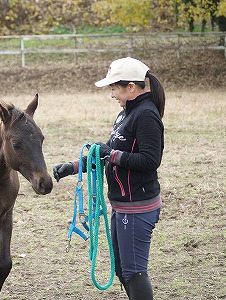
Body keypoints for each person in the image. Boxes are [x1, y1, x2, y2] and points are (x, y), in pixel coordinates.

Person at [53, 57, 165, 300]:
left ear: (131, 88)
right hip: (122, 206)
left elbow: (149, 160)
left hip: (138, 207)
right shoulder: (125, 115)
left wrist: (112, 154)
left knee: (134, 272)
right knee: (123, 271)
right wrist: (72, 167)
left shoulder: (146, 116)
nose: (112, 93)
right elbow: (106, 153)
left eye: (114, 87)